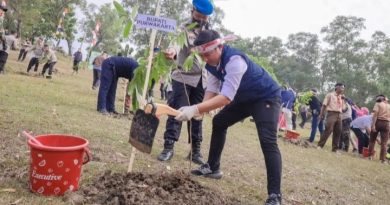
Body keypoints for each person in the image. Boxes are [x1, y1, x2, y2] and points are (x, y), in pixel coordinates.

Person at [175, 30, 282, 205]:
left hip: (265, 97)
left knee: (268, 141)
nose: (205, 58)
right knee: (219, 122)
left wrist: (194, 108)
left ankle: (275, 196)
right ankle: (213, 167)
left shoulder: (235, 62)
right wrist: (200, 110)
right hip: (244, 98)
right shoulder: (210, 64)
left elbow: (225, 98)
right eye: (202, 55)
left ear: (220, 47)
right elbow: (212, 88)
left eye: (207, 54)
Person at [157, 0, 214, 165]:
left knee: (198, 113)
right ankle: (168, 147)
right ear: (192, 11)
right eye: (199, 15)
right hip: (182, 75)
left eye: (205, 17)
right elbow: (175, 43)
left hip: (201, 79)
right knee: (176, 111)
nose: (202, 19)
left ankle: (195, 151)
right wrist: (172, 51)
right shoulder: (183, 28)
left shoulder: (210, 31)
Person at [317, 83, 345, 152]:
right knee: (328, 130)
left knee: (338, 131)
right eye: (341, 88)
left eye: (343, 88)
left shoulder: (341, 97)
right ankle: (320, 145)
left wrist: (344, 100)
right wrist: (321, 115)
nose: (342, 89)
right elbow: (324, 105)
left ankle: (335, 149)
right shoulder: (330, 95)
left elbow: (343, 108)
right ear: (337, 87)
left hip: (339, 115)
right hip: (331, 114)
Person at [368, 95, 390, 163]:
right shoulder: (389, 106)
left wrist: (373, 125)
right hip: (386, 123)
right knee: (384, 143)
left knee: (372, 140)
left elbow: (375, 115)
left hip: (378, 122)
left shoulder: (378, 104)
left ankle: (370, 156)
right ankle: (382, 160)